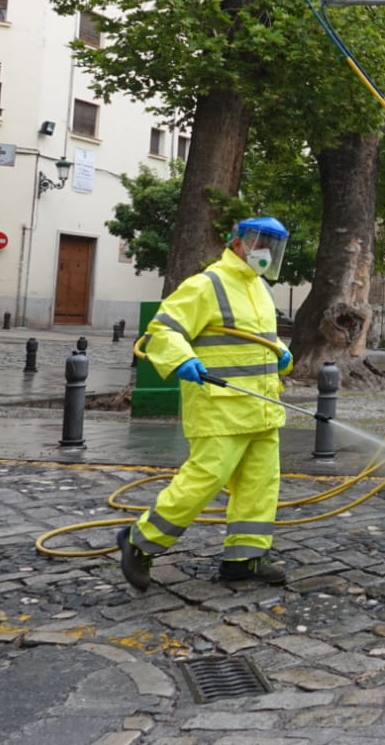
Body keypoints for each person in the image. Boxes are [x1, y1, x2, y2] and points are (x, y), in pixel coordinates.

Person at [118, 216, 295, 591]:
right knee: (203, 480)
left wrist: (282, 353)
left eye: (271, 246)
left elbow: (257, 338)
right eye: (259, 242)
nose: (264, 251)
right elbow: (162, 330)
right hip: (219, 408)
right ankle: (139, 542)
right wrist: (182, 359)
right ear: (237, 242)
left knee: (260, 486)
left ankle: (243, 559)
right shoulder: (207, 284)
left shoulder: (260, 289)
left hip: (261, 407)